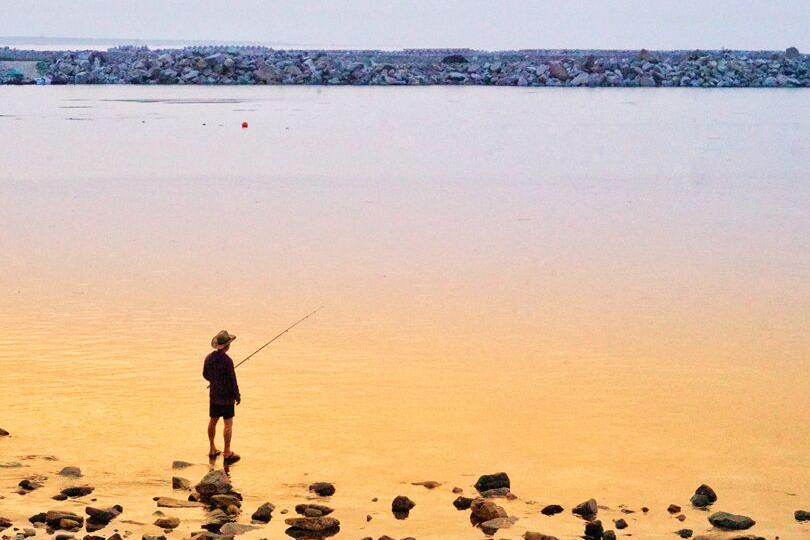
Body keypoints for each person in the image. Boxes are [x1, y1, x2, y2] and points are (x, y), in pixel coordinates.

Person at [203, 330, 241, 464]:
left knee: (213, 421)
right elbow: (232, 380)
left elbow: (205, 375)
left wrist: (214, 381)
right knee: (228, 424)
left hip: (214, 396)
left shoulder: (208, 358)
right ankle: (227, 452)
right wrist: (237, 396)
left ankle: (212, 449)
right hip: (227, 397)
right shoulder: (228, 361)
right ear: (227, 346)